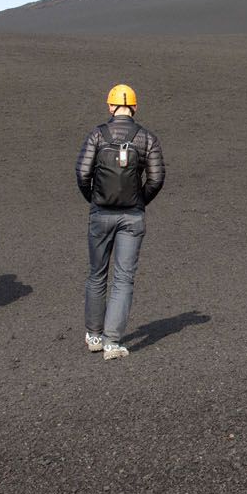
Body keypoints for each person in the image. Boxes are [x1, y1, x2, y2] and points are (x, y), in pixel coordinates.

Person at [74, 84, 165, 360]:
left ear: (110, 106)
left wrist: (96, 198)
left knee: (96, 274)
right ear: (134, 107)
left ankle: (93, 335)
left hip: (100, 214)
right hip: (132, 217)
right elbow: (157, 178)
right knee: (123, 278)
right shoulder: (147, 138)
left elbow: (82, 173)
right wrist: (138, 201)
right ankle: (113, 342)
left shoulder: (97, 135)